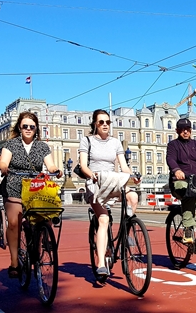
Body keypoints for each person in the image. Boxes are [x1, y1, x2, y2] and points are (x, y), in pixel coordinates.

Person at [0, 111, 62, 279]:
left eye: (31, 127)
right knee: (13, 223)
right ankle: (14, 262)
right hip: (14, 185)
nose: (28, 129)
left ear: (36, 129)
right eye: (25, 126)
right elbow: (4, 161)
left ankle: (43, 238)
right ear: (19, 127)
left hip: (35, 186)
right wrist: (4, 167)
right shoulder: (11, 144)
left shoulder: (42, 146)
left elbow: (50, 165)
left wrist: (56, 170)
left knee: (45, 213)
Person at [79, 109, 141, 277]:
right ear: (95, 124)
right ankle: (100, 264)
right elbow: (83, 165)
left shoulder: (115, 142)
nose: (105, 125)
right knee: (104, 219)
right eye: (101, 122)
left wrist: (132, 175)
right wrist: (91, 175)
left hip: (113, 180)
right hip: (96, 182)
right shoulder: (87, 141)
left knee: (133, 197)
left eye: (108, 122)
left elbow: (124, 166)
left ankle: (126, 231)